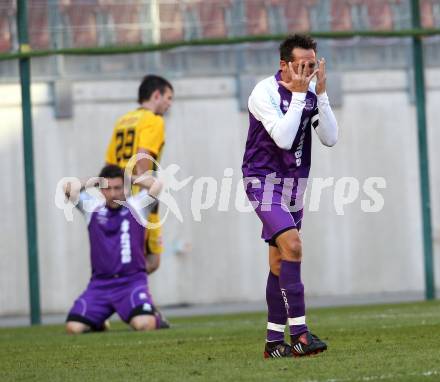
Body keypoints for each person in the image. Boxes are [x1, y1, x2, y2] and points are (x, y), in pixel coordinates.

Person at [242, 34, 339, 358]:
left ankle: (273, 343)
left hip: (294, 184)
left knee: (279, 261)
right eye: (301, 65)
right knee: (294, 247)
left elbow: (330, 138)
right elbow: (283, 138)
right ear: (283, 65)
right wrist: (300, 97)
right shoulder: (263, 92)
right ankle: (299, 335)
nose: (308, 71)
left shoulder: (310, 92)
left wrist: (321, 95)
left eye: (312, 65)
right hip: (262, 180)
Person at [64, 164, 168, 334]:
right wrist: (96, 181)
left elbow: (156, 185)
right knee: (73, 328)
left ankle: (155, 317)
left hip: (131, 283)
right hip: (100, 286)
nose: (113, 194)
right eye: (108, 189)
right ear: (102, 190)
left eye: (118, 188)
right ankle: (98, 321)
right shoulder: (91, 208)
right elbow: (68, 188)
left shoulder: (138, 206)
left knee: (144, 325)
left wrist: (129, 178)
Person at [105, 75, 174, 275]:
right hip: (139, 196)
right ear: (156, 95)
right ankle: (131, 300)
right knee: (149, 260)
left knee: (136, 258)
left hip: (117, 197)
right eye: (168, 98)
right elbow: (143, 157)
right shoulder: (153, 120)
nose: (169, 104)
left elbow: (109, 164)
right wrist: (147, 190)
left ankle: (136, 301)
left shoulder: (123, 121)